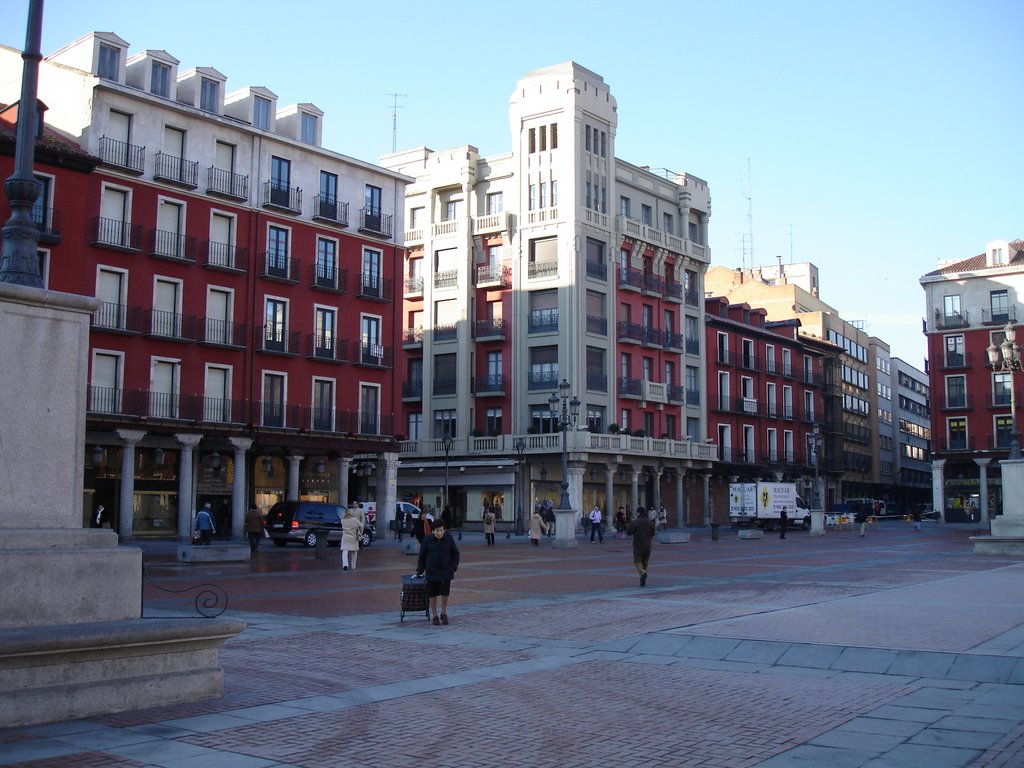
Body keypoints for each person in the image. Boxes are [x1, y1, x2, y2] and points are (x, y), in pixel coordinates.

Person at [415, 519, 460, 625]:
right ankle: (434, 615)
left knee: (445, 594)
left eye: (441, 530)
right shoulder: (427, 540)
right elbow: (422, 556)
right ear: (433, 531)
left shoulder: (449, 538)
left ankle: (444, 613)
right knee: (432, 595)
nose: (439, 533)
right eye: (437, 531)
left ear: (444, 530)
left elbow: (455, 553)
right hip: (431, 571)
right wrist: (420, 570)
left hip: (446, 571)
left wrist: (453, 566)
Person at [626, 506, 656, 587]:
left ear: (638, 513)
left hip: (638, 546)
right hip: (647, 546)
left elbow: (628, 532)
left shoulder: (635, 522)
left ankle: (643, 573)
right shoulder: (650, 522)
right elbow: (653, 534)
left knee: (637, 562)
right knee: (645, 564)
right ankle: (643, 582)